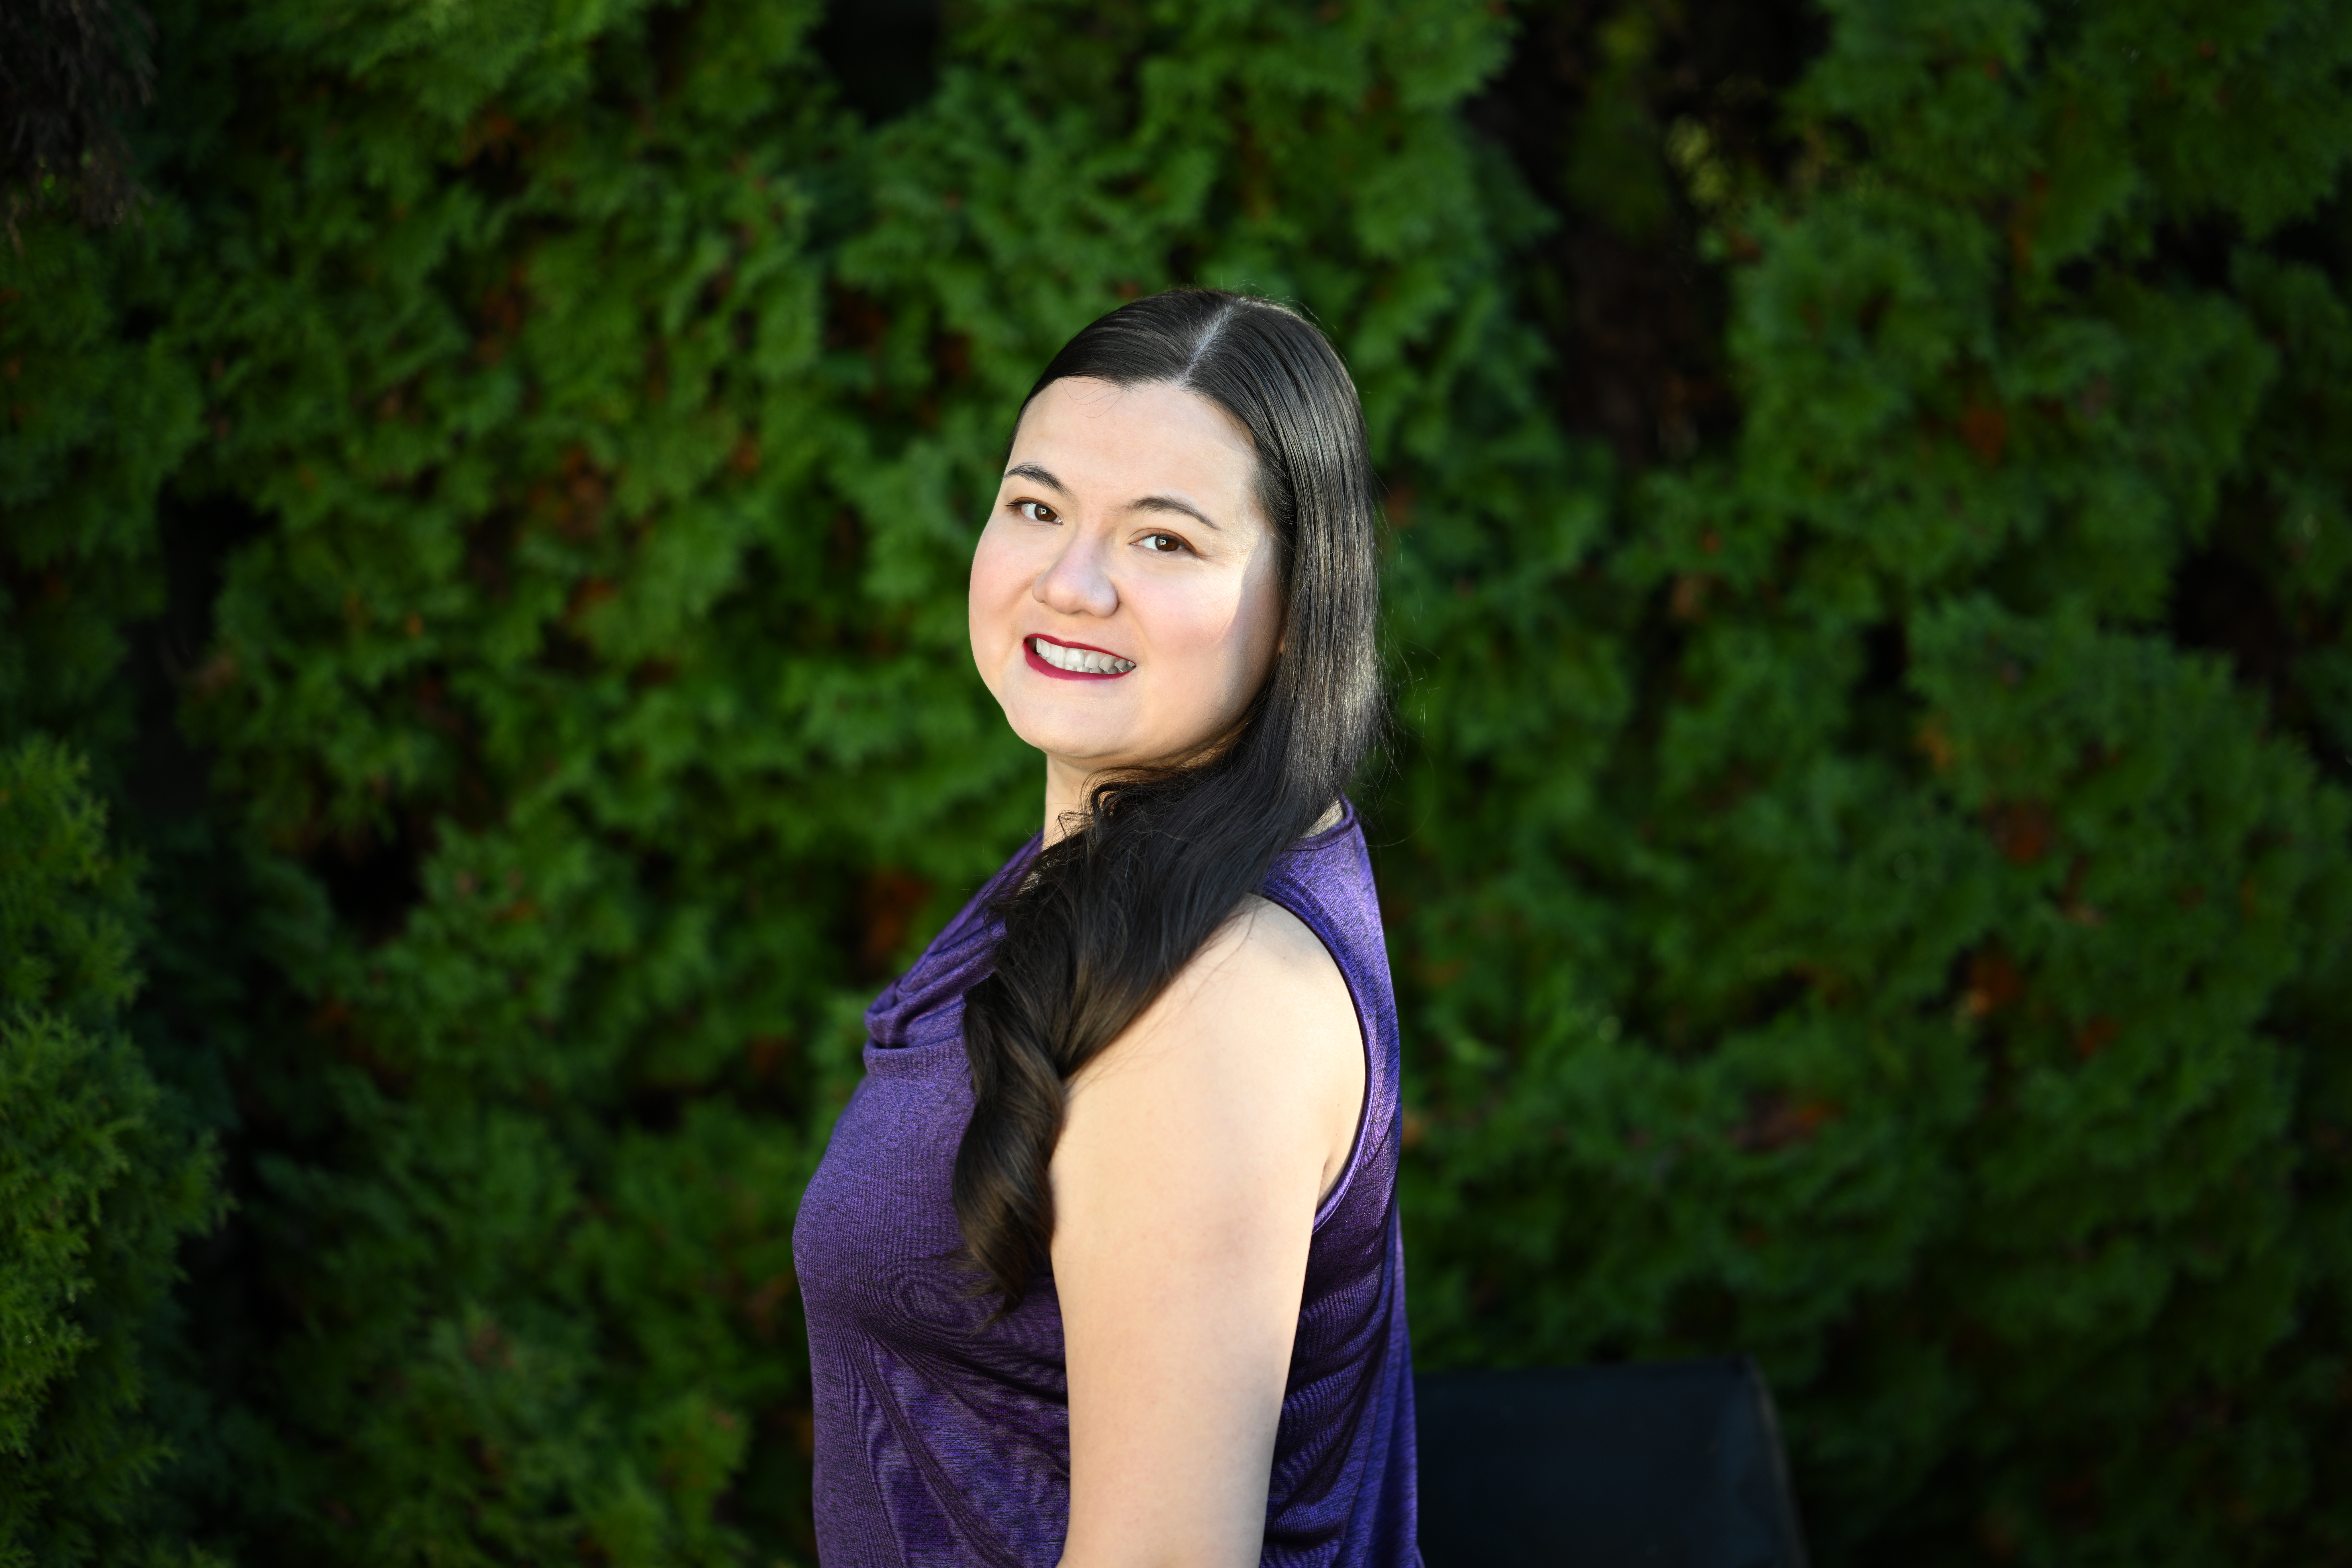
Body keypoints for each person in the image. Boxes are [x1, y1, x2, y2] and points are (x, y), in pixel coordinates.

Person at [794, 288, 1417, 1567]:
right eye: (1036, 507)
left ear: (1301, 605)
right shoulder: (1130, 878)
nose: (1071, 583)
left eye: (1166, 542)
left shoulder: (1213, 1001)